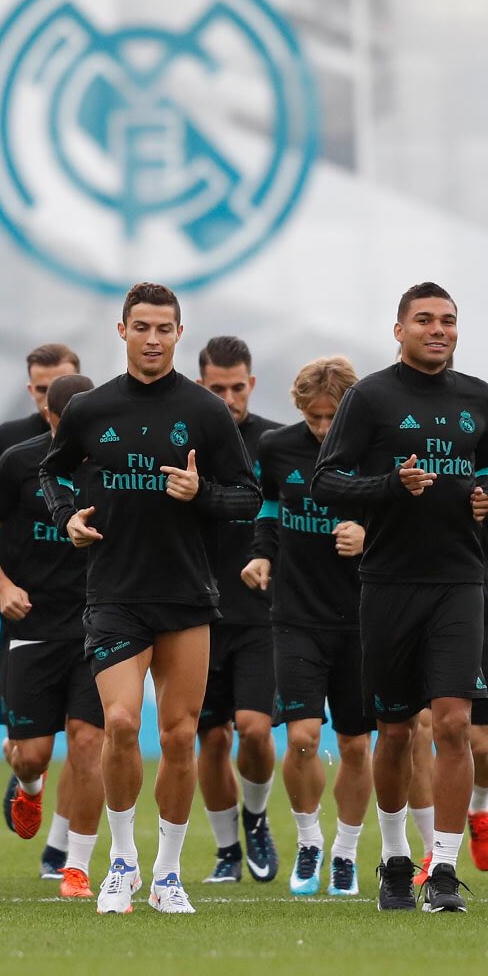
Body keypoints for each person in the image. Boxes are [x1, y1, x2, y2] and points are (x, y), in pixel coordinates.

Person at [39, 282, 260, 915]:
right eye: (142, 327)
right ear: (122, 331)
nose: (153, 338)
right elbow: (52, 472)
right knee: (122, 722)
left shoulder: (206, 412)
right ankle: (122, 864)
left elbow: (246, 495)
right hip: (113, 592)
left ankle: (167, 874)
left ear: (179, 334)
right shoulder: (92, 409)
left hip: (187, 596)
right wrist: (66, 519)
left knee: (181, 736)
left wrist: (203, 495)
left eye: (165, 328)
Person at [311, 281, 488, 914]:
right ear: (399, 330)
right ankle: (394, 857)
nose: (438, 329)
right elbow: (327, 482)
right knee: (394, 733)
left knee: (453, 724)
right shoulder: (369, 397)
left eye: (448, 319)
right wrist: (390, 485)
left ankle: (441, 870)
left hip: (459, 582)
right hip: (389, 583)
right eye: (424, 320)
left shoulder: (479, 398)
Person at [0, 374, 104, 900]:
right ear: (47, 415)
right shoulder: (20, 462)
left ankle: (76, 865)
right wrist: (1, 586)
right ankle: (28, 787)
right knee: (33, 755)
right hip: (33, 625)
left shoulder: (113, 466)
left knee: (89, 742)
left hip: (99, 624)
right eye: (58, 422)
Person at [242, 357, 372, 897]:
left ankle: (345, 850)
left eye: (332, 417)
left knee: (357, 747)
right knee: (301, 738)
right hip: (295, 616)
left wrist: (369, 535)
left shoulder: (374, 453)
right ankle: (310, 839)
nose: (322, 429)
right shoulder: (277, 448)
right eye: (314, 418)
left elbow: (405, 520)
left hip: (364, 619)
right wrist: (261, 555)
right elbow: (269, 507)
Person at [410, 431, 488, 883]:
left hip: (473, 601)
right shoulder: (388, 421)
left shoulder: (482, 431)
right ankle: (432, 849)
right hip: (406, 598)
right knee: (420, 727)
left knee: (478, 740)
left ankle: (481, 805)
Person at [195, 336, 282, 884]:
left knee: (253, 728)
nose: (229, 397)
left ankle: (255, 817)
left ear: (251, 383)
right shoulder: (183, 441)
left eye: (237, 386)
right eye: (216, 388)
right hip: (196, 613)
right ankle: (226, 849)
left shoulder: (276, 442)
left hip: (259, 614)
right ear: (202, 386)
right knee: (208, 737)